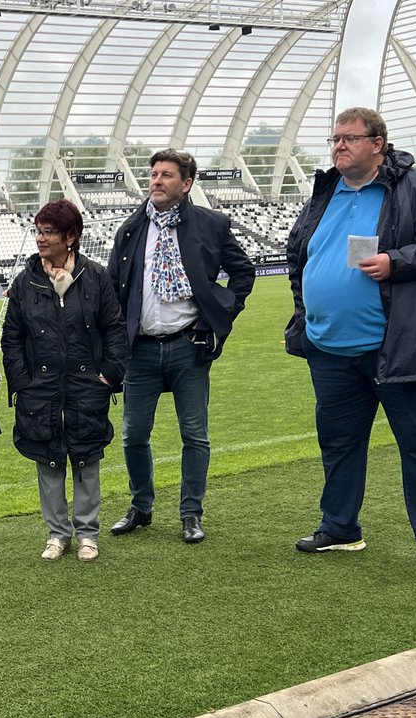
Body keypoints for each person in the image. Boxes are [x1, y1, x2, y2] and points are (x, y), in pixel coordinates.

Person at [285, 107, 416, 569]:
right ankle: (341, 527)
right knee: (340, 444)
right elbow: (300, 254)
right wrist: (305, 311)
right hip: (329, 349)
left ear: (378, 143)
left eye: (350, 138)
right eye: (335, 139)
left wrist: (397, 261)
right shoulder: (324, 191)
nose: (339, 146)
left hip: (396, 347)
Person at [107, 148, 255, 544]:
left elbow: (243, 272)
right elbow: (112, 289)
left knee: (195, 435)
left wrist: (222, 312)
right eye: (154, 174)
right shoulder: (131, 229)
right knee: (134, 435)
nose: (157, 180)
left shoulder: (211, 224)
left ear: (186, 184)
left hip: (189, 347)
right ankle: (141, 506)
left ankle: (191, 513)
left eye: (167, 175)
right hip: (140, 350)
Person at [1, 200, 126, 561]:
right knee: (49, 461)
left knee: (86, 460)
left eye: (48, 231)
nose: (40, 238)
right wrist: (22, 382)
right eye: (38, 231)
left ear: (71, 236)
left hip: (87, 386)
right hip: (40, 389)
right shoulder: (26, 281)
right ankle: (57, 534)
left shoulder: (96, 277)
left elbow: (114, 328)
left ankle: (88, 533)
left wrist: (109, 374)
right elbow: (12, 337)